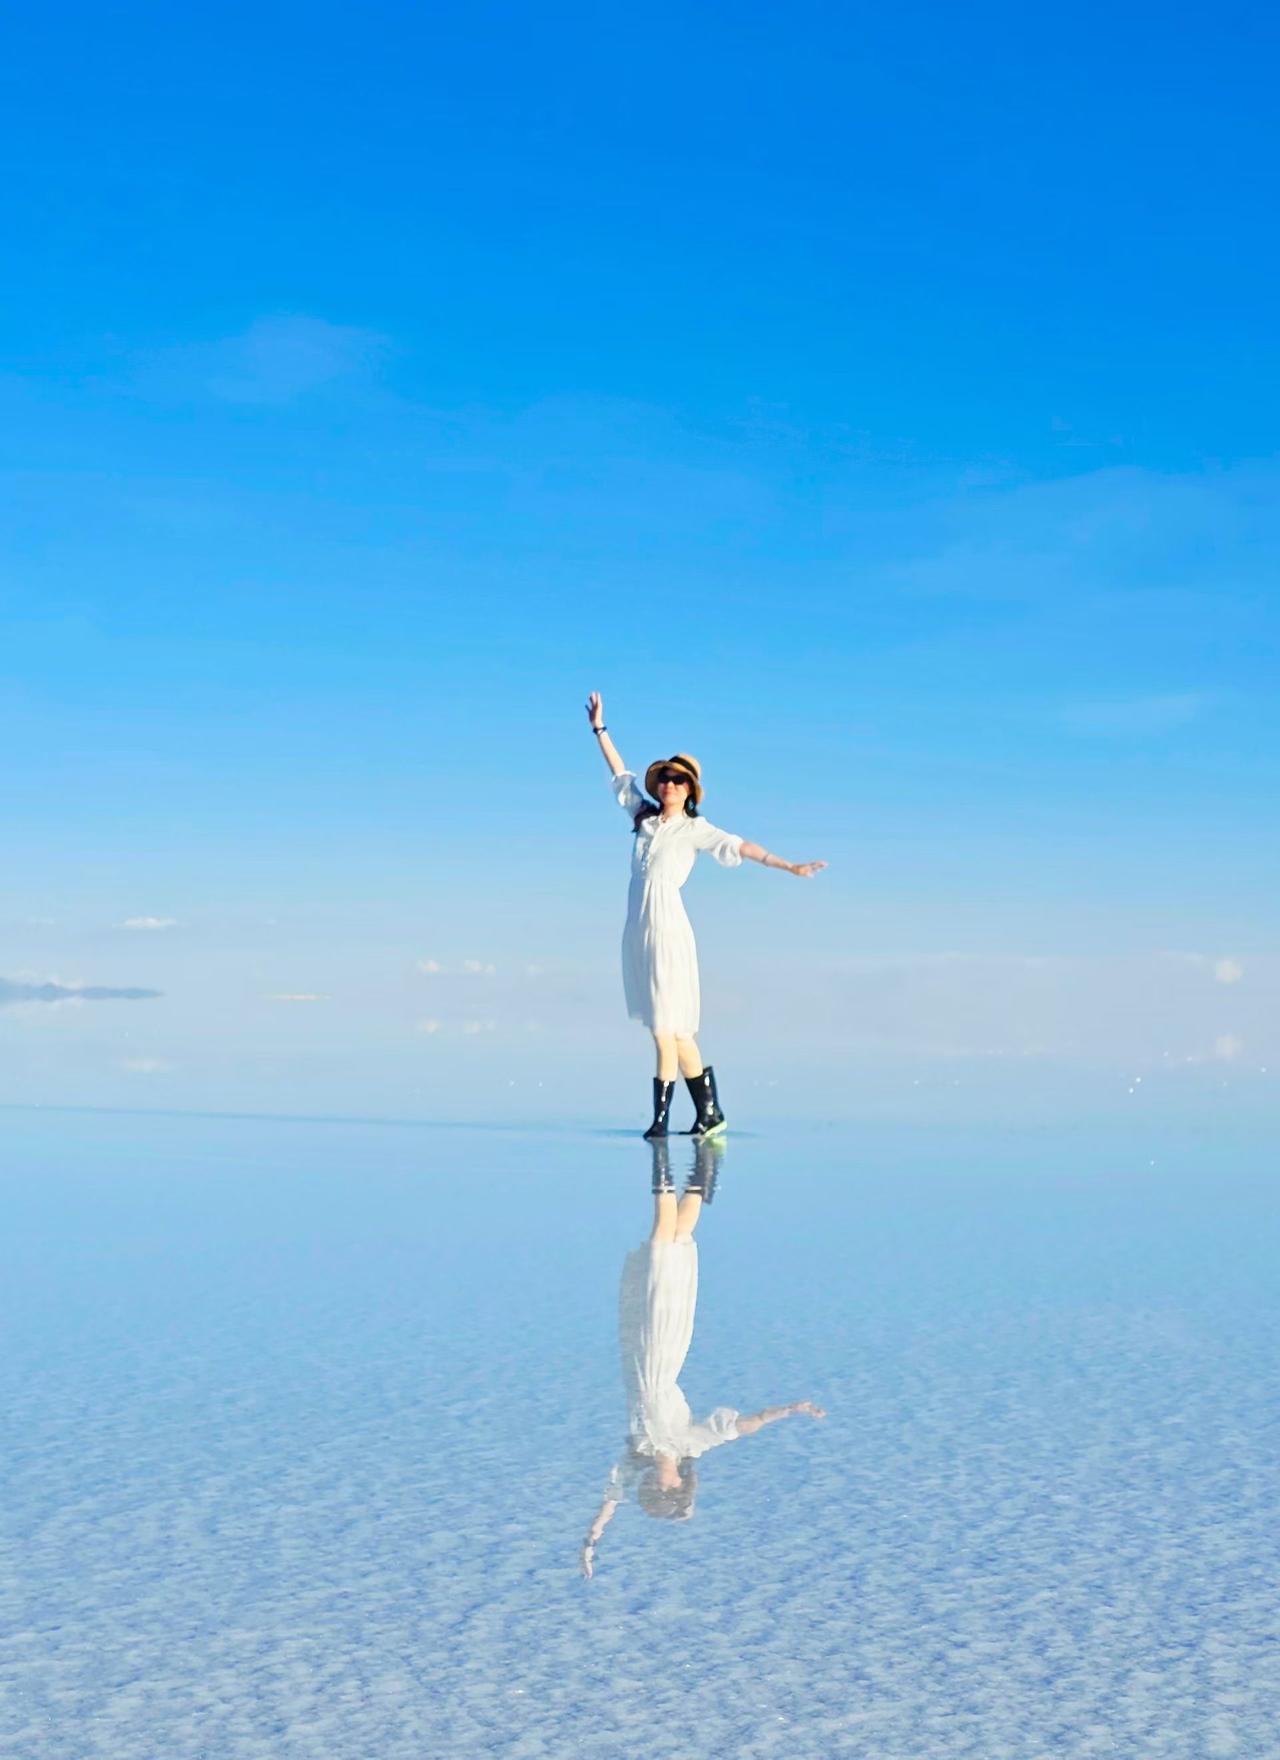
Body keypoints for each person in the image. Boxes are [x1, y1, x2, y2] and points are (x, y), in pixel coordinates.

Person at [579, 1141, 827, 1578]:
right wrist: (790, 1409)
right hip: (662, 1349)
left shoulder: (635, 1454)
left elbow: (610, 1498)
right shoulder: (689, 1443)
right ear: (680, 1482)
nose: (659, 1484)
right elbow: (740, 1426)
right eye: (668, 1489)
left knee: (673, 1244)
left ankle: (702, 1167)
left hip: (637, 1351)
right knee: (664, 1249)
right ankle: (668, 1161)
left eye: (654, 1491)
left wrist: (591, 1541)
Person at [585, 690, 827, 1138]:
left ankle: (660, 1121)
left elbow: (742, 847)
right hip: (639, 927)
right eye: (665, 778)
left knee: (664, 1027)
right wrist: (600, 729)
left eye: (679, 780)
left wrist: (790, 866)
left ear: (690, 789)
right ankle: (711, 1114)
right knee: (676, 1034)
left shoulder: (697, 829)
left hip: (669, 931)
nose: (669, 785)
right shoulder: (643, 818)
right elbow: (620, 775)